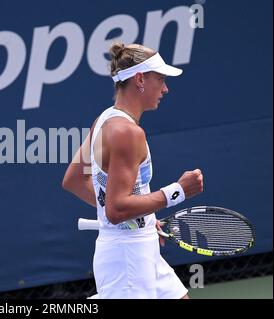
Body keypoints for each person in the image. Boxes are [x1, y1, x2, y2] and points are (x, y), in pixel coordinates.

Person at [62, 42, 204, 299]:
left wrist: (141, 216)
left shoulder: (102, 120)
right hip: (127, 260)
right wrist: (177, 192)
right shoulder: (127, 133)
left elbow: (73, 180)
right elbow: (116, 210)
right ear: (139, 79)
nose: (165, 88)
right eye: (160, 79)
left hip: (140, 246)